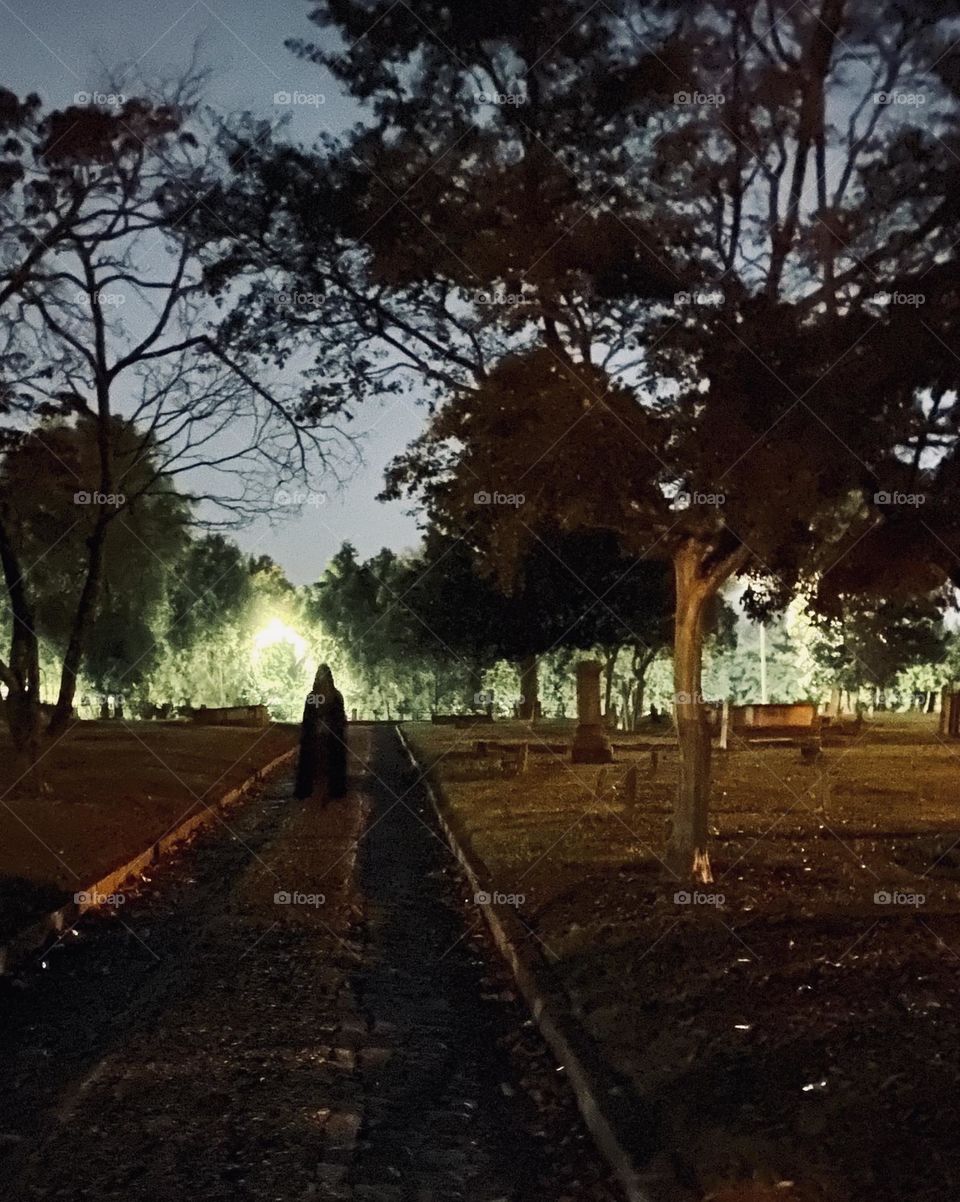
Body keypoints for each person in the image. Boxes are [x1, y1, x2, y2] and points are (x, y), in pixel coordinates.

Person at [295, 664, 348, 800]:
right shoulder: (326, 696)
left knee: (331, 763)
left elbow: (339, 718)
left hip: (329, 737)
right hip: (318, 737)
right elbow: (308, 718)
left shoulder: (333, 696)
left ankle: (330, 790)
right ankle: (317, 790)